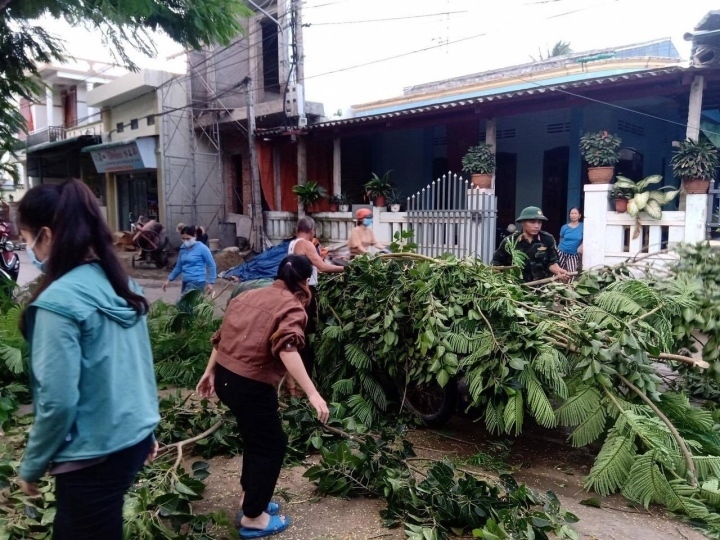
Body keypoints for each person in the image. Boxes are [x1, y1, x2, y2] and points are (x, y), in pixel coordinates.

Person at [15, 180, 160, 540]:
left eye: (26, 238)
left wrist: (31, 465)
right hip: (132, 442)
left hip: (92, 456)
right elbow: (138, 365)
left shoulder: (57, 302)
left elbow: (57, 402)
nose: (27, 248)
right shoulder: (120, 283)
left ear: (45, 236)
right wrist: (144, 427)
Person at [195, 255, 329, 539]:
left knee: (255, 440)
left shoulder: (249, 294)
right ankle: (254, 517)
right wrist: (313, 393)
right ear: (305, 282)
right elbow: (287, 348)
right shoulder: (293, 307)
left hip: (226, 380)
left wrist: (209, 372)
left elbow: (221, 337)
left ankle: (250, 499)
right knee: (272, 445)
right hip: (250, 386)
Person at [287, 217, 345, 378]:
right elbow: (322, 267)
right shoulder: (306, 244)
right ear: (312, 230)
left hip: (295, 290)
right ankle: (305, 371)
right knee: (306, 331)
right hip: (306, 291)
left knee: (299, 328)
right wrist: (348, 269)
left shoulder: (292, 244)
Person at [491, 206, 569, 283]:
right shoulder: (510, 241)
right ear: (522, 222)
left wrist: (558, 271)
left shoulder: (547, 239)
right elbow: (496, 263)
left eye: (539, 222)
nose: (536, 226)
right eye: (532, 222)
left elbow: (552, 262)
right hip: (517, 289)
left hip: (543, 287)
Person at [163, 225, 217, 296]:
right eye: (183, 239)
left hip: (197, 281)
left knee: (183, 303)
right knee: (189, 305)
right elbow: (179, 266)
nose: (185, 241)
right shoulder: (183, 248)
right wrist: (169, 279)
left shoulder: (202, 248)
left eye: (188, 239)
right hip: (185, 281)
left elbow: (212, 265)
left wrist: (211, 282)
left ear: (194, 236)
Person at [557, 207, 583, 275]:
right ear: (569, 215)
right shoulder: (564, 227)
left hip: (573, 254)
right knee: (558, 271)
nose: (573, 215)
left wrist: (581, 245)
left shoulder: (583, 226)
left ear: (579, 215)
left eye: (575, 213)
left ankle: (569, 285)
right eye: (572, 213)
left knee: (572, 273)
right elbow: (561, 238)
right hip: (561, 251)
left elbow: (586, 238)